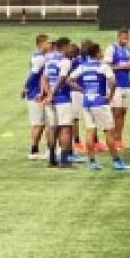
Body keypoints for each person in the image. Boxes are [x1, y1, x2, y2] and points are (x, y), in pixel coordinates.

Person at [70, 42, 130, 170]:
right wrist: (110, 96)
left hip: (87, 102)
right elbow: (113, 83)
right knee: (108, 131)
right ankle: (116, 161)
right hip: (100, 102)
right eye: (101, 51)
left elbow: (70, 80)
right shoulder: (103, 66)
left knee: (90, 131)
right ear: (96, 53)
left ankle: (92, 161)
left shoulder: (83, 66)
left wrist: (83, 90)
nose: (102, 53)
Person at [40, 36, 74, 168]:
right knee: (65, 128)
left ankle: (52, 158)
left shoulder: (48, 59)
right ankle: (64, 161)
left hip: (50, 99)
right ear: (64, 46)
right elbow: (62, 78)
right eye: (69, 46)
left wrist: (47, 93)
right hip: (62, 98)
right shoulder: (65, 60)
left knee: (52, 128)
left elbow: (44, 78)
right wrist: (53, 94)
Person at [22, 33, 50, 160]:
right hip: (36, 94)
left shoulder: (41, 56)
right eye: (47, 42)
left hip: (38, 93)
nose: (49, 44)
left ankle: (40, 150)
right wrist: (26, 88)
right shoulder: (39, 58)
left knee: (43, 123)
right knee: (38, 124)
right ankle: (33, 150)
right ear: (41, 44)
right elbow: (33, 76)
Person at [108, 28, 130, 148]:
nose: (125, 39)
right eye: (123, 37)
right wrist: (124, 66)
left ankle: (119, 138)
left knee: (123, 112)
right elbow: (107, 67)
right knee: (116, 112)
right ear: (118, 36)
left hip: (127, 84)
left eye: (127, 37)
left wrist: (127, 66)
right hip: (116, 85)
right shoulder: (111, 49)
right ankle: (113, 138)